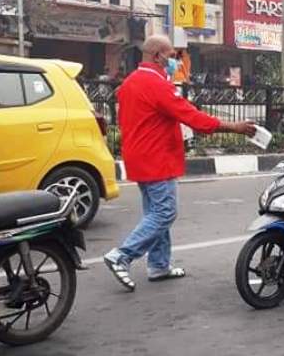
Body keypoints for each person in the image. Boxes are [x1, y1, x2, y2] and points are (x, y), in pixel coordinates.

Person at [104, 35, 256, 291]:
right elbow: (191, 116)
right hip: (157, 158)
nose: (175, 61)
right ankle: (123, 255)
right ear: (157, 56)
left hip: (140, 157)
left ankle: (159, 265)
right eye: (172, 56)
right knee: (164, 213)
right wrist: (234, 126)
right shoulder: (156, 84)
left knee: (155, 213)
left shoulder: (130, 82)